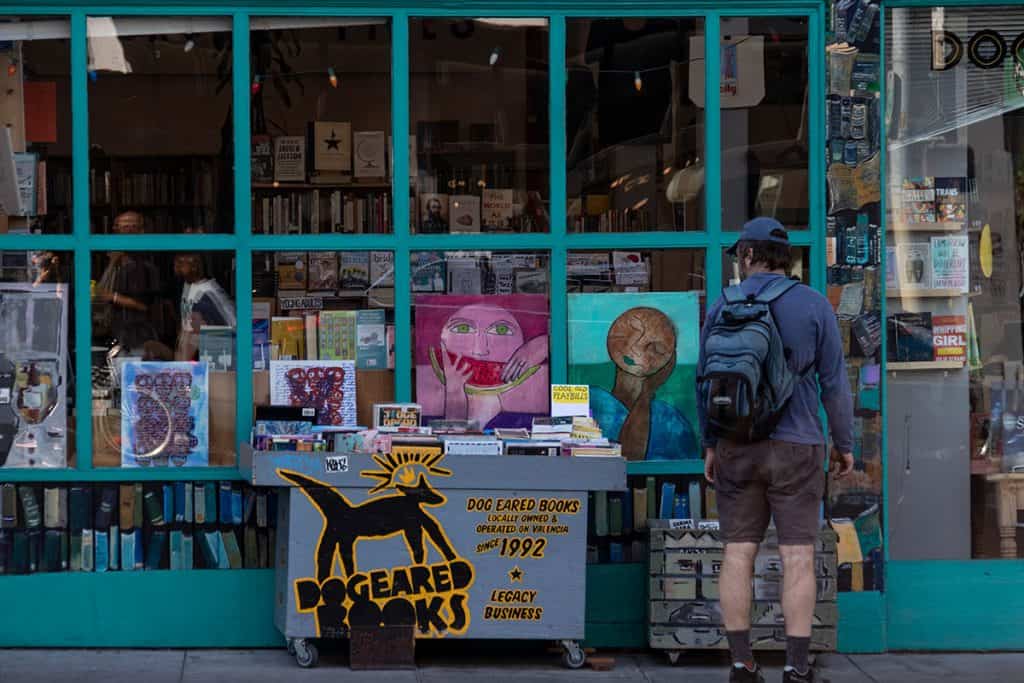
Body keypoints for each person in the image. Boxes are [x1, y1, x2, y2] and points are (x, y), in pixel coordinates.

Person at [696, 217, 854, 683]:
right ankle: (796, 667)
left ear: (747, 255)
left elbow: (702, 378)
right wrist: (844, 444)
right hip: (797, 445)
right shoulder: (813, 305)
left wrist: (710, 442)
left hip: (735, 445)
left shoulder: (721, 305)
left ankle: (742, 664)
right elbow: (835, 384)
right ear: (786, 258)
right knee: (798, 557)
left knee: (738, 554)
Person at [589, 306, 698, 460]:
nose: (636, 349)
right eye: (631, 335)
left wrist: (646, 393)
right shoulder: (590, 400)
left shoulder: (670, 420)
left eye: (656, 348)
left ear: (669, 359)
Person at [92, 211, 162, 353]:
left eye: (134, 227)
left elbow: (146, 306)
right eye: (125, 227)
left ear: (142, 231)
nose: (129, 231)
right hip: (114, 334)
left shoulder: (147, 266)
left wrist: (113, 297)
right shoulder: (114, 262)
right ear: (115, 230)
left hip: (138, 337)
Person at [173, 253, 236, 361]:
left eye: (183, 261)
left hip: (220, 343)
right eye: (178, 260)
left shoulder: (206, 291)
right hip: (196, 342)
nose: (177, 264)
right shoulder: (188, 285)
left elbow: (230, 322)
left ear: (195, 265)